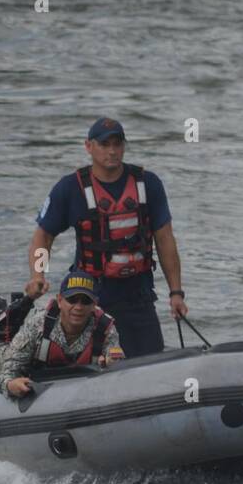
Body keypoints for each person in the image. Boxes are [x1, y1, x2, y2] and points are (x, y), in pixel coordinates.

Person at [24, 117, 187, 358]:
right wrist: (38, 275)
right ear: (88, 146)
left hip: (138, 296)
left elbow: (165, 240)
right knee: (97, 365)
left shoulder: (148, 184)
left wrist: (176, 293)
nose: (112, 151)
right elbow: (43, 236)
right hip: (90, 300)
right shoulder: (70, 188)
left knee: (151, 363)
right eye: (104, 144)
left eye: (117, 144)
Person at [0, 271, 121, 397]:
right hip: (7, 354)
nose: (78, 307)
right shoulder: (38, 324)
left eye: (85, 301)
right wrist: (10, 385)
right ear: (60, 301)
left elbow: (117, 361)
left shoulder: (105, 329)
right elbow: (8, 368)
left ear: (94, 304)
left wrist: (110, 363)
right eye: (72, 300)